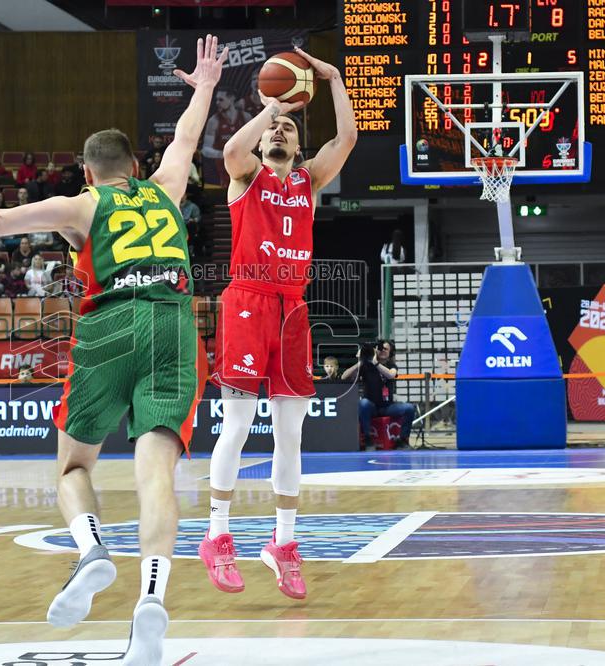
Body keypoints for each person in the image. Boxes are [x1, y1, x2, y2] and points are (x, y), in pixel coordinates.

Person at [0, 35, 225, 664]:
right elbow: (184, 138)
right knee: (157, 477)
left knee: (74, 468)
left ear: (88, 171)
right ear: (135, 168)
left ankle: (92, 553)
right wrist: (202, 85)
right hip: (176, 323)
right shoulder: (168, 185)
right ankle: (153, 597)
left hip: (110, 324)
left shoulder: (81, 204)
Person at [202, 47, 357, 600]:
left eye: (291, 128)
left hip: (293, 307)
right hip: (246, 301)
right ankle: (218, 536)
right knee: (238, 427)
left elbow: (346, 141)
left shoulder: (308, 184)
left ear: (298, 145)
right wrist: (271, 107)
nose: (281, 133)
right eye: (276, 129)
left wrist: (335, 80)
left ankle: (283, 544)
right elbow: (231, 148)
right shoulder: (247, 177)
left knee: (291, 434)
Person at [346, 341, 416, 450]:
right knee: (363, 403)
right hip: (371, 406)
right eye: (380, 348)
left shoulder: (391, 365)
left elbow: (391, 375)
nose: (382, 350)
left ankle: (402, 440)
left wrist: (376, 363)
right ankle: (368, 440)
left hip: (388, 407)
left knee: (409, 408)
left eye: (386, 349)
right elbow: (344, 377)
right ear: (375, 350)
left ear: (390, 353)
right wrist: (360, 362)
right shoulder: (366, 366)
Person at [201, 89, 251, 187]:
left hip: (244, 166)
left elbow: (256, 142)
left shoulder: (246, 117)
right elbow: (205, 149)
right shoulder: (214, 121)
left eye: (221, 100)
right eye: (216, 100)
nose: (217, 103)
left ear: (231, 99)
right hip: (222, 168)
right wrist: (225, 154)